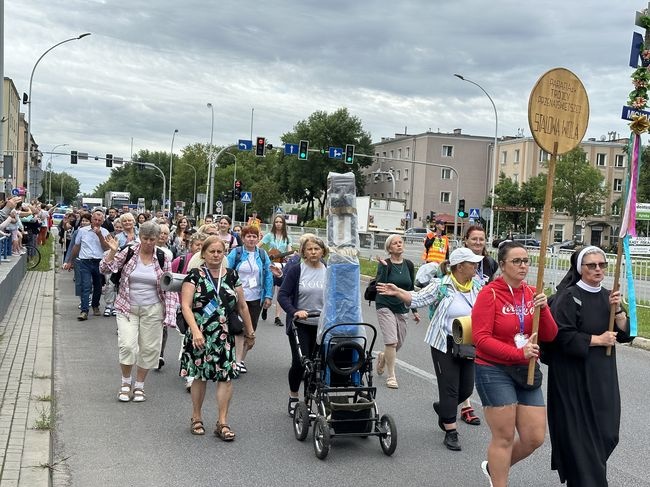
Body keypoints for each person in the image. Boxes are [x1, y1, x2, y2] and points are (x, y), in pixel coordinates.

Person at [378, 247, 484, 452]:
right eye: (472, 263)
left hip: (469, 344)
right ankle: (450, 431)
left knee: (466, 389)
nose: (476, 266)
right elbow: (417, 299)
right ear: (460, 267)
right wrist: (398, 292)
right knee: (450, 388)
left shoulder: (478, 286)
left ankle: (444, 408)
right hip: (444, 343)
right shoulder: (441, 285)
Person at [471, 240, 558, 487]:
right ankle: (500, 482)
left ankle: (494, 467)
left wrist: (545, 309)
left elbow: (550, 335)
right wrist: (518, 353)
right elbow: (481, 339)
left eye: (526, 261)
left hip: (526, 368)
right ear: (502, 265)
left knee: (534, 437)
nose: (523, 266)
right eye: (516, 261)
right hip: (494, 369)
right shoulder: (490, 293)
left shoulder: (531, 293)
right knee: (504, 436)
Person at [547, 246, 632, 487]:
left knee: (607, 433)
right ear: (580, 268)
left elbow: (625, 335)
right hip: (572, 377)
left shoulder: (609, 296)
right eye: (591, 265)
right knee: (582, 440)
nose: (598, 269)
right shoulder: (568, 297)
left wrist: (618, 315)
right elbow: (560, 336)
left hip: (602, 375)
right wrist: (597, 340)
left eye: (602, 265)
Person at [179, 236, 255, 440]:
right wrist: (195, 331)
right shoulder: (195, 275)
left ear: (224, 254)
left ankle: (222, 422)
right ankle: (196, 417)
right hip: (201, 334)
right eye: (211, 251)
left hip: (224, 335)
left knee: (226, 377)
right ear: (203, 254)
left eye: (219, 252)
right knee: (200, 376)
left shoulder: (231, 275)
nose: (215, 255)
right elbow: (185, 305)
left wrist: (250, 331)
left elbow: (242, 306)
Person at [100, 221, 178, 403]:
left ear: (158, 239)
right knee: (127, 345)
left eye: (153, 239)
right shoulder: (128, 251)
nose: (149, 242)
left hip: (153, 308)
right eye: (145, 238)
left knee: (149, 348)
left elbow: (169, 285)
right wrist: (112, 251)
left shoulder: (162, 256)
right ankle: (125, 383)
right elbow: (104, 269)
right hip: (127, 306)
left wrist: (170, 312)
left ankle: (140, 386)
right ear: (139, 237)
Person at [278, 235, 328, 416]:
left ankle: (308, 400)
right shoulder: (297, 270)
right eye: (310, 249)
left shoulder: (328, 270)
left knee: (318, 365)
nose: (313, 252)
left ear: (323, 251)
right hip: (301, 324)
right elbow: (282, 295)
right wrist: (294, 311)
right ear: (303, 252)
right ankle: (293, 396)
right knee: (302, 362)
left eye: (317, 249)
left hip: (322, 324)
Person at [457, 224, 499, 426]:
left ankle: (454, 398)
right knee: (464, 358)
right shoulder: (457, 260)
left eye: (481, 239)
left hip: (482, 314)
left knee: (477, 358)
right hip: (461, 316)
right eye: (474, 239)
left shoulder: (490, 263)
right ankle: (465, 405)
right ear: (466, 240)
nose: (478, 243)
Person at [373, 234, 419, 390]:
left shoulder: (409, 265)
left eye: (401, 242)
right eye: (395, 243)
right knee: (391, 341)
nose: (399, 245)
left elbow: (410, 288)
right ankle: (391, 376)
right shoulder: (384, 263)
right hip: (385, 304)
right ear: (389, 248)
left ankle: (383, 356)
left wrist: (414, 309)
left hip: (402, 306)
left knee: (398, 342)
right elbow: (380, 285)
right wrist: (384, 267)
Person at [226, 225, 274, 373]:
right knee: (236, 328)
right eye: (248, 236)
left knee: (250, 330)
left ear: (258, 238)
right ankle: (235, 360)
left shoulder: (263, 254)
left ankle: (240, 359)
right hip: (236, 297)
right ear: (243, 238)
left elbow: (268, 275)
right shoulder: (236, 253)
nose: (251, 239)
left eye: (254, 236)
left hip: (255, 298)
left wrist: (268, 295)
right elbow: (226, 270)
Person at [63, 209, 110, 320]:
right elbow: (76, 246)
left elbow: (106, 248)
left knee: (98, 286)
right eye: (95, 219)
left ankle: (95, 305)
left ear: (102, 221)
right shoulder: (82, 231)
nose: (97, 222)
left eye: (99, 220)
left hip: (99, 261)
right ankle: (84, 310)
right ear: (91, 220)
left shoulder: (105, 232)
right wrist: (70, 261)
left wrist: (99, 235)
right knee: (86, 285)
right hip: (85, 261)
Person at [259, 214, 292, 326]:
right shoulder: (269, 235)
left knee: (280, 290)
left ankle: (277, 317)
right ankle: (265, 307)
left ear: (283, 224)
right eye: (276, 222)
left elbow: (289, 251)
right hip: (270, 264)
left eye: (280, 222)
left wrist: (292, 255)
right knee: (270, 289)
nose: (278, 224)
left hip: (281, 265)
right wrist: (265, 256)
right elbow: (259, 246)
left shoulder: (287, 238)